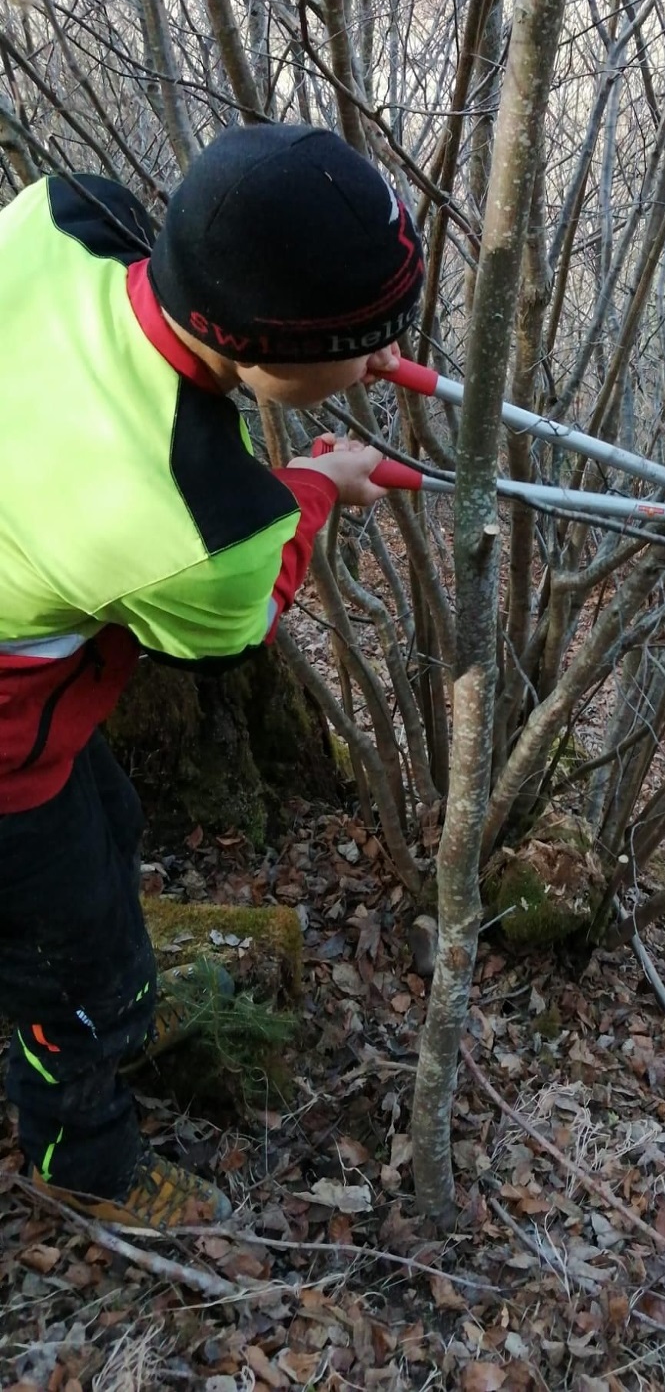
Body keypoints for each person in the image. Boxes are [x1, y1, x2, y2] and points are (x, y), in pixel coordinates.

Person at [0, 123, 424, 1230]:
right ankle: (80, 1150)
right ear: (261, 352)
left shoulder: (65, 213)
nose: (382, 364)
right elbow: (234, 621)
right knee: (69, 967)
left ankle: (114, 993)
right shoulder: (202, 518)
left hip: (33, 677)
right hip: (6, 744)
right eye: (365, 346)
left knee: (113, 825)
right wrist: (320, 482)